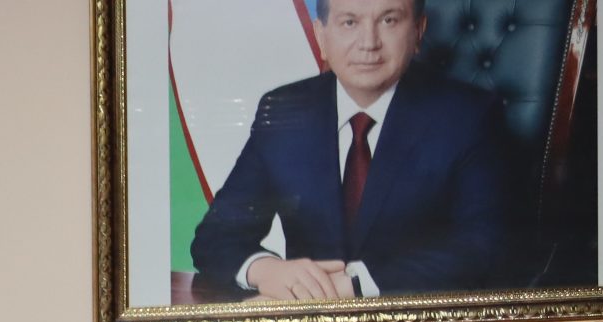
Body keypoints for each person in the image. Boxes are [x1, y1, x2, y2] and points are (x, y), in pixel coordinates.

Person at [190, 0, 514, 300]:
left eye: (389, 20)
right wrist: (268, 271)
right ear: (321, 36)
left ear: (418, 31)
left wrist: (355, 285)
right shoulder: (284, 110)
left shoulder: (469, 116)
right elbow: (215, 235)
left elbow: (484, 244)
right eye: (349, 22)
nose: (368, 43)